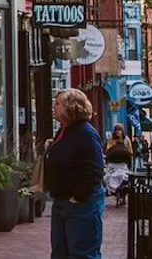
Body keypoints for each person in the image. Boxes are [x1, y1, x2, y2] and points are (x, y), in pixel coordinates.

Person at [46, 88, 106, 259]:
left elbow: (94, 169)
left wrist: (78, 197)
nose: (54, 107)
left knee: (82, 253)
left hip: (81, 204)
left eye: (58, 104)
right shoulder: (64, 130)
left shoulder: (85, 133)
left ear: (71, 107)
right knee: (60, 252)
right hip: (62, 200)